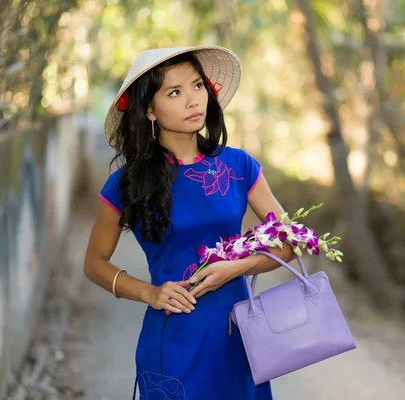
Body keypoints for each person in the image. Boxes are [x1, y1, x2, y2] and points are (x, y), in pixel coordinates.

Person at [83, 46, 295, 399]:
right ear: (149, 109)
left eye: (197, 86)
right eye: (175, 92)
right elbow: (94, 263)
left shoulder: (239, 167)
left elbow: (290, 242)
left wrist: (237, 268)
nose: (193, 100)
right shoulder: (128, 183)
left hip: (239, 340)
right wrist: (149, 292)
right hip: (173, 343)